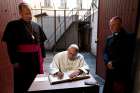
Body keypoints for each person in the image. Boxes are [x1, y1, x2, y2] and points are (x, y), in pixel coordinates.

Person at [2, 3, 47, 93]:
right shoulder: (12, 25)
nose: (29, 15)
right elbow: (10, 45)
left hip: (36, 60)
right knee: (22, 84)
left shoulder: (37, 26)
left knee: (36, 82)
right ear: (20, 13)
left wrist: (43, 56)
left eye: (30, 13)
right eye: (26, 13)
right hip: (22, 60)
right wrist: (14, 61)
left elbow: (41, 43)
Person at [103, 16, 135, 93]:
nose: (111, 27)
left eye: (114, 25)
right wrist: (107, 62)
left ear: (120, 25)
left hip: (121, 72)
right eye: (110, 25)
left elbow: (128, 55)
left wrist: (113, 63)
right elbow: (105, 52)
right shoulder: (109, 38)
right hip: (110, 71)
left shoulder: (129, 37)